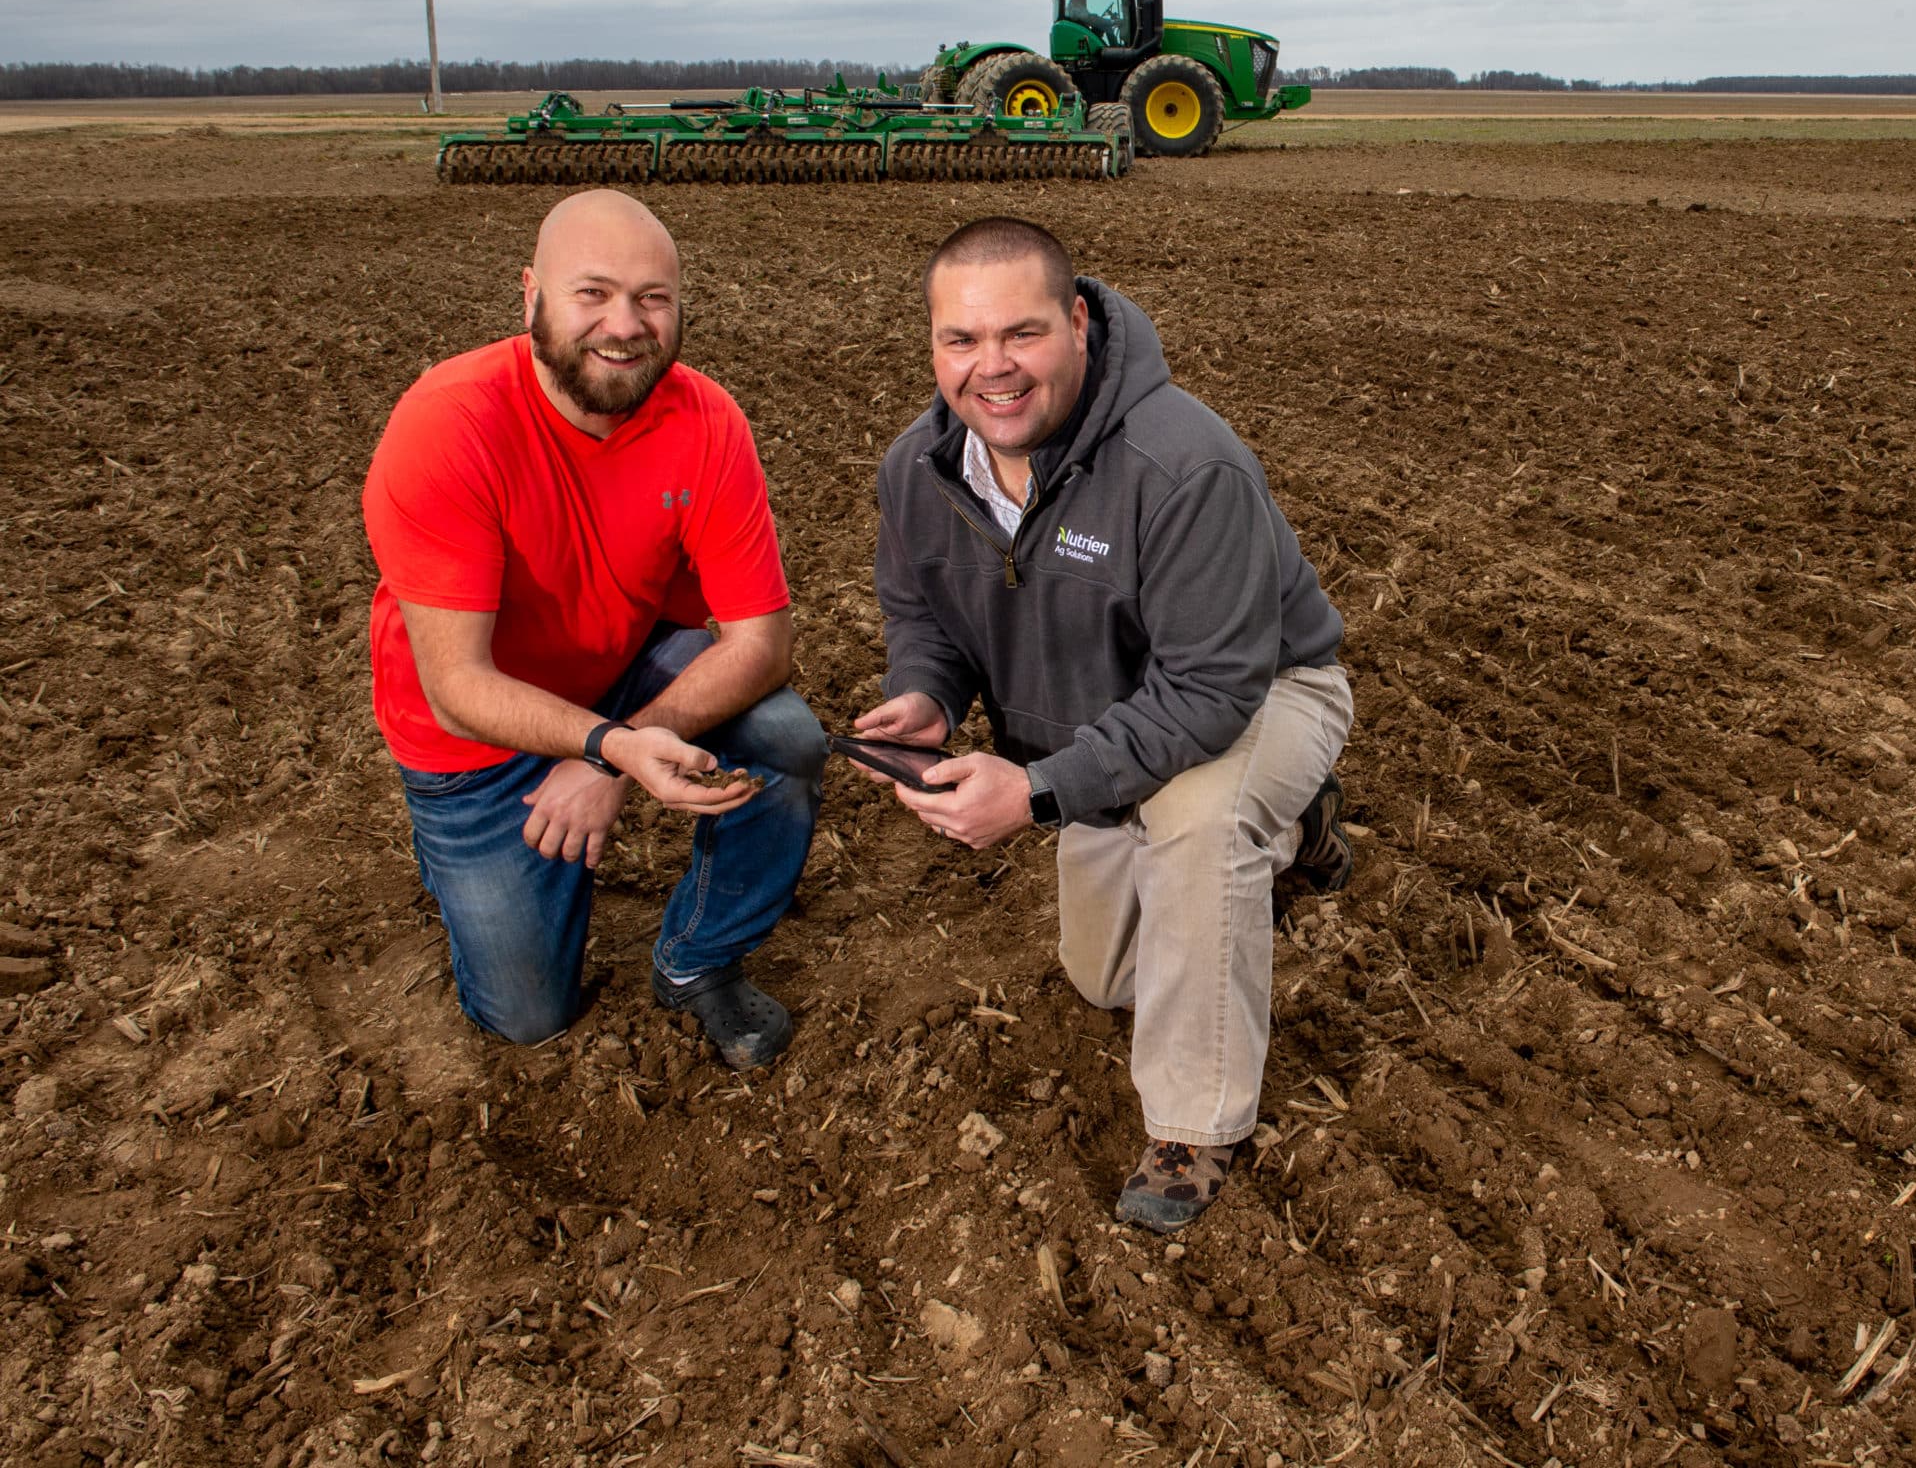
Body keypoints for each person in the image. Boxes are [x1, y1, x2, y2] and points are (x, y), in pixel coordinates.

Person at [859, 216, 1354, 1232]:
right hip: (1107, 732)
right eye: (961, 340)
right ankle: (1296, 829)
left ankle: (1194, 1125)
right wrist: (929, 697)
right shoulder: (920, 471)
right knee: (1109, 979)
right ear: (932, 345)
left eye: (1021, 334)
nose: (991, 368)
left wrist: (1037, 790)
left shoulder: (1181, 466)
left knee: (1202, 824)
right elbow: (927, 620)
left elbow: (1210, 693)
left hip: (1258, 694)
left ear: (1078, 323)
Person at [362, 188, 825, 1068]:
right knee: (530, 1016)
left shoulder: (705, 420)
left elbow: (761, 641)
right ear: (530, 295)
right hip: (471, 745)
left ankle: (697, 959)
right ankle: (467, 863)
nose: (626, 324)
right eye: (593, 293)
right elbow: (457, 688)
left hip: (618, 671)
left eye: (653, 297)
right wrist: (608, 749)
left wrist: (616, 750)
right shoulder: (450, 423)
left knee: (785, 739)